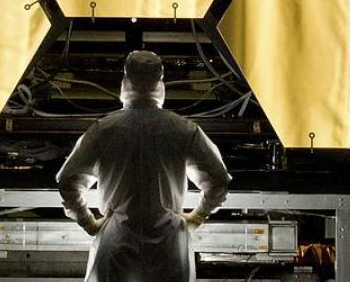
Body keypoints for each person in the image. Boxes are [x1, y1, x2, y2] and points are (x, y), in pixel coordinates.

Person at [56, 50, 231, 282]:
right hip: (167, 246)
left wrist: (88, 221)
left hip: (118, 242)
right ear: (160, 83)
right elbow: (218, 179)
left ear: (125, 82)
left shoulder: (104, 129)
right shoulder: (183, 129)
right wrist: (198, 216)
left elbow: (68, 180)